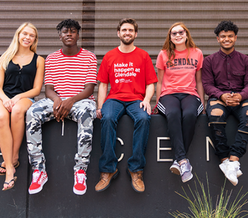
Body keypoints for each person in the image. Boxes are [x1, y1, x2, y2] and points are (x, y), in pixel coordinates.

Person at [26, 19, 97, 195]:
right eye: (65, 32)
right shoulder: (51, 58)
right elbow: (48, 89)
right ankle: (39, 170)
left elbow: (89, 88)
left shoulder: (89, 56)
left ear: (78, 35)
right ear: (60, 36)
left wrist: (69, 101)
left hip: (80, 100)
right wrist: (58, 101)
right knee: (32, 112)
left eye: (73, 31)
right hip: (56, 101)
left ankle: (80, 170)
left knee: (88, 113)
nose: (69, 34)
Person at [95, 18, 157, 193]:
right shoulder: (109, 56)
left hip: (136, 99)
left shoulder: (143, 55)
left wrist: (146, 100)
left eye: (130, 30)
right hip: (114, 98)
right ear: (118, 33)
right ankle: (108, 169)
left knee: (144, 118)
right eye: (124, 30)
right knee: (106, 118)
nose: (127, 33)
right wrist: (100, 106)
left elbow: (151, 83)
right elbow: (103, 85)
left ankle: (136, 169)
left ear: (135, 34)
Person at [201, 20, 248, 186]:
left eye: (230, 36)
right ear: (217, 39)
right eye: (223, 36)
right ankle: (224, 159)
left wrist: (240, 96)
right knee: (215, 115)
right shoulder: (209, 61)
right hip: (219, 99)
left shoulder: (245, 60)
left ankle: (233, 160)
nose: (227, 39)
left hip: (241, 98)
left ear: (235, 38)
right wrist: (221, 95)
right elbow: (207, 85)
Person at [0, 22, 44, 191]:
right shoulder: (5, 57)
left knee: (18, 110)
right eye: (25, 34)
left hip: (26, 98)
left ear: (35, 39)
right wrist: (6, 99)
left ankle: (12, 160)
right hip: (2, 98)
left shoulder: (39, 60)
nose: (27, 37)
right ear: (18, 35)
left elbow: (36, 89)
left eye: (31, 35)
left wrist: (18, 96)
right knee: (1, 116)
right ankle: (11, 168)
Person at [155, 22, 204, 183]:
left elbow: (199, 82)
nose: (177, 35)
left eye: (180, 32)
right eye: (173, 33)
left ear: (186, 34)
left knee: (189, 114)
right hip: (169, 94)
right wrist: (157, 103)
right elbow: (160, 81)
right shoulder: (163, 54)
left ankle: (179, 160)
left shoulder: (197, 53)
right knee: (174, 113)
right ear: (170, 37)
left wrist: (202, 104)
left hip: (190, 93)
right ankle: (183, 161)